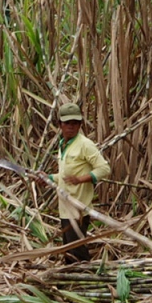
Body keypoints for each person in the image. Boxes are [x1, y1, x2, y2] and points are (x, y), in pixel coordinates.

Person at [53, 102, 110, 263]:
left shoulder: (85, 145)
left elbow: (104, 169)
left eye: (75, 123)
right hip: (65, 208)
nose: (71, 127)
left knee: (77, 253)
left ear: (80, 124)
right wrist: (49, 178)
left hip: (78, 209)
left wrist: (81, 179)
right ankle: (73, 282)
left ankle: (86, 282)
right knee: (69, 252)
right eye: (67, 123)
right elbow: (64, 176)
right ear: (60, 124)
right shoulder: (63, 145)